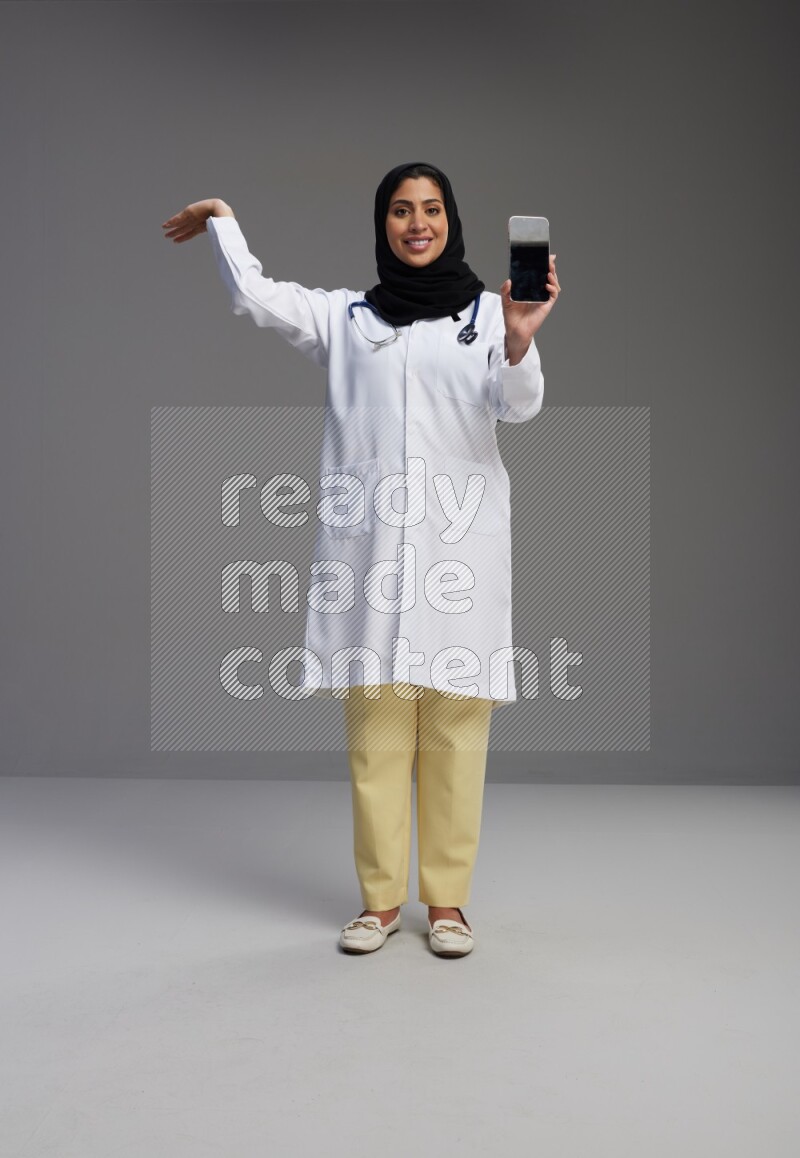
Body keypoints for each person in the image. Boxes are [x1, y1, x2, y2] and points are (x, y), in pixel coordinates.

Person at [162, 162, 560, 957]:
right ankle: (379, 903)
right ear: (383, 224)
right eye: (403, 211)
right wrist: (225, 222)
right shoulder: (346, 320)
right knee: (377, 736)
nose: (418, 223)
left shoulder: (491, 314)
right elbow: (257, 297)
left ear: (452, 220)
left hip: (457, 557)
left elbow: (520, 408)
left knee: (454, 733)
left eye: (433, 209)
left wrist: (518, 342)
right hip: (369, 557)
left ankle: (446, 905)